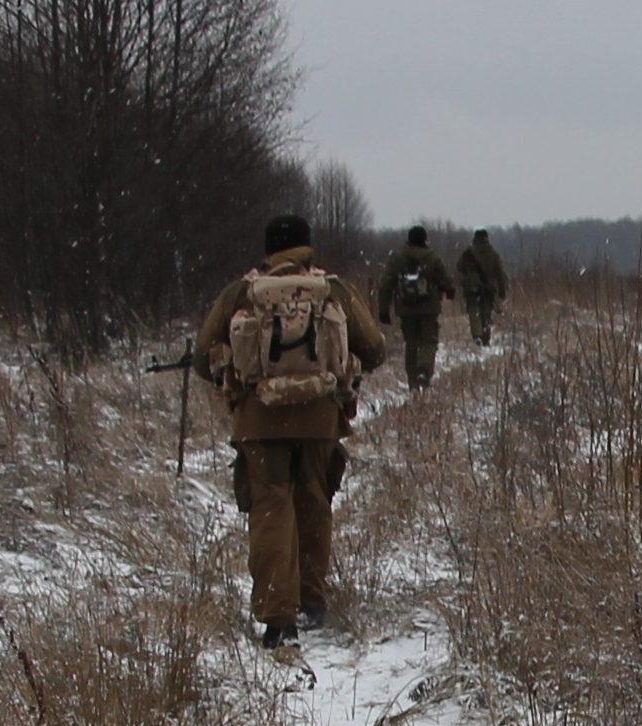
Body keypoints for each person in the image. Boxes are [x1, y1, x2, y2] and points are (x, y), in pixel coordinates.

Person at [195, 213, 391, 646]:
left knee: (270, 510)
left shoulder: (241, 292)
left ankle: (278, 618)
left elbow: (201, 357)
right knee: (314, 504)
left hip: (259, 421)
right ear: (307, 247)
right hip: (321, 418)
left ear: (268, 250)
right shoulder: (333, 290)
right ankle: (312, 601)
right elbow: (375, 349)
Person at [374, 224, 460, 388]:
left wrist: (383, 310)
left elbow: (385, 285)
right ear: (425, 240)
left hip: (406, 309)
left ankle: (413, 384)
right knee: (429, 341)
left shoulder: (397, 259)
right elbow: (447, 280)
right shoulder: (432, 258)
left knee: (411, 345)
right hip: (429, 308)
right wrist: (449, 292)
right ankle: (424, 369)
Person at [457, 228, 508, 347]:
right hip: (488, 288)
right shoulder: (493, 253)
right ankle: (485, 339)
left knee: (473, 312)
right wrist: (502, 291)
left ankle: (477, 336)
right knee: (486, 314)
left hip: (472, 287)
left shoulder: (469, 252)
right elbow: (500, 273)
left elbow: (459, 267)